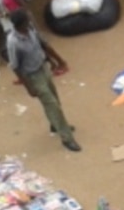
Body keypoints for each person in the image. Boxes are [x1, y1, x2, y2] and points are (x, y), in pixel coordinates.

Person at [6, 10, 80, 152]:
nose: (29, 23)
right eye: (26, 21)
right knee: (52, 105)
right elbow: (15, 67)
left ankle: (55, 124)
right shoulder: (13, 42)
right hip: (33, 76)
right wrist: (28, 87)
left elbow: (43, 45)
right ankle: (67, 138)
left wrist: (57, 61)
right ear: (19, 25)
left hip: (43, 67)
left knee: (55, 99)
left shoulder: (31, 29)